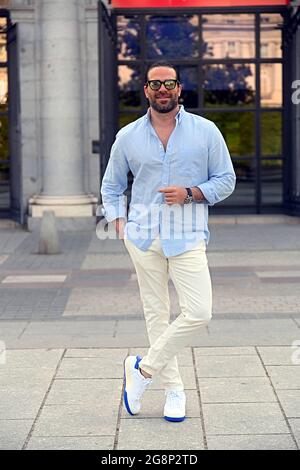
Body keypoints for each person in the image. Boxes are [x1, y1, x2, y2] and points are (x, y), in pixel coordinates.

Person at [101, 60, 236, 422]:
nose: (163, 90)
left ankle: (142, 369)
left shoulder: (205, 131)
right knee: (157, 314)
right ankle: (174, 390)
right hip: (142, 237)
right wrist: (117, 220)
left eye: (170, 84)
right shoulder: (128, 136)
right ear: (145, 90)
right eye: (155, 84)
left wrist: (191, 192)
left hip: (188, 235)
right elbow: (112, 184)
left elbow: (226, 180)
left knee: (199, 311)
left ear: (180, 89)